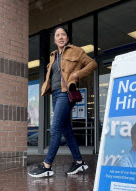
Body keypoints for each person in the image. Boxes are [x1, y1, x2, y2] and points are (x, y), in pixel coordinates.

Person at [28, 26, 97, 178]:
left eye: (63, 34)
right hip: (55, 94)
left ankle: (47, 166)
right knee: (66, 130)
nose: (60, 37)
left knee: (55, 129)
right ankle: (79, 162)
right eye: (57, 35)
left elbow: (92, 64)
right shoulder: (53, 56)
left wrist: (78, 74)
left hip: (66, 94)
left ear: (67, 37)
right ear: (54, 39)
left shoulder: (76, 51)